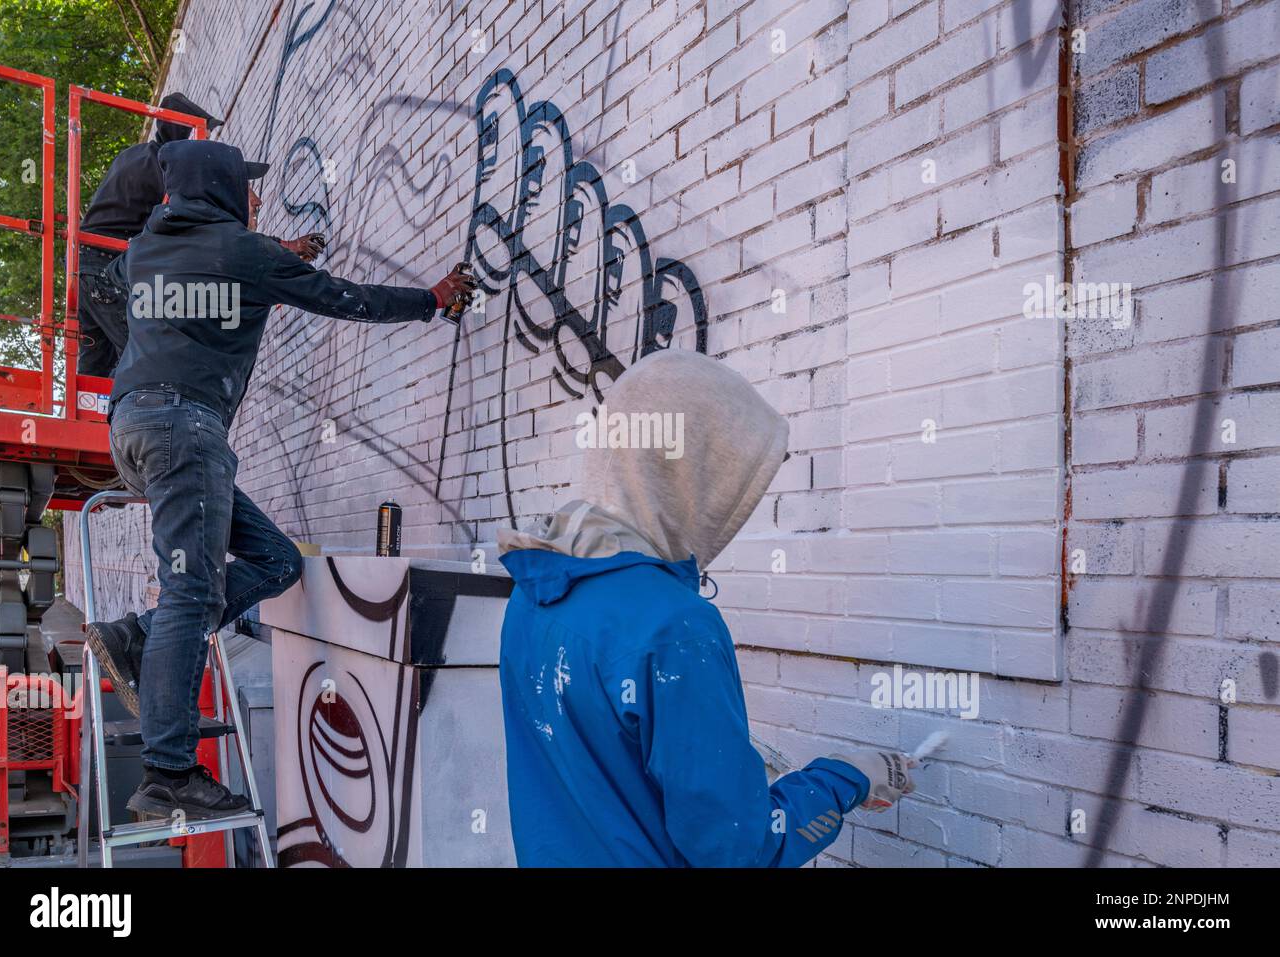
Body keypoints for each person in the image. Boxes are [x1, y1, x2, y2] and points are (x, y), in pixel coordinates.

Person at [85, 138, 476, 820]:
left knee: (276, 561)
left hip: (135, 428)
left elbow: (196, 285)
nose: (258, 198)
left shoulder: (149, 253)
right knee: (192, 593)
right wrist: (430, 298)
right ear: (221, 189)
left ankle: (135, 635)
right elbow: (346, 298)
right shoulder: (245, 255)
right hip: (186, 428)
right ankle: (168, 771)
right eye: (248, 185)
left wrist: (275, 257)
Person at [496, 350, 914, 866]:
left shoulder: (535, 590)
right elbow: (736, 848)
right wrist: (846, 778)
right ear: (688, 474)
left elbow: (603, 766)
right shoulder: (673, 628)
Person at [76, 92, 324, 376]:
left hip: (86, 270)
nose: (204, 145)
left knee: (94, 372)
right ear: (182, 131)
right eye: (199, 135)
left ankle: (91, 418)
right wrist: (282, 248)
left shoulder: (135, 156)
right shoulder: (164, 168)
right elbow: (211, 230)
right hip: (107, 271)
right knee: (150, 362)